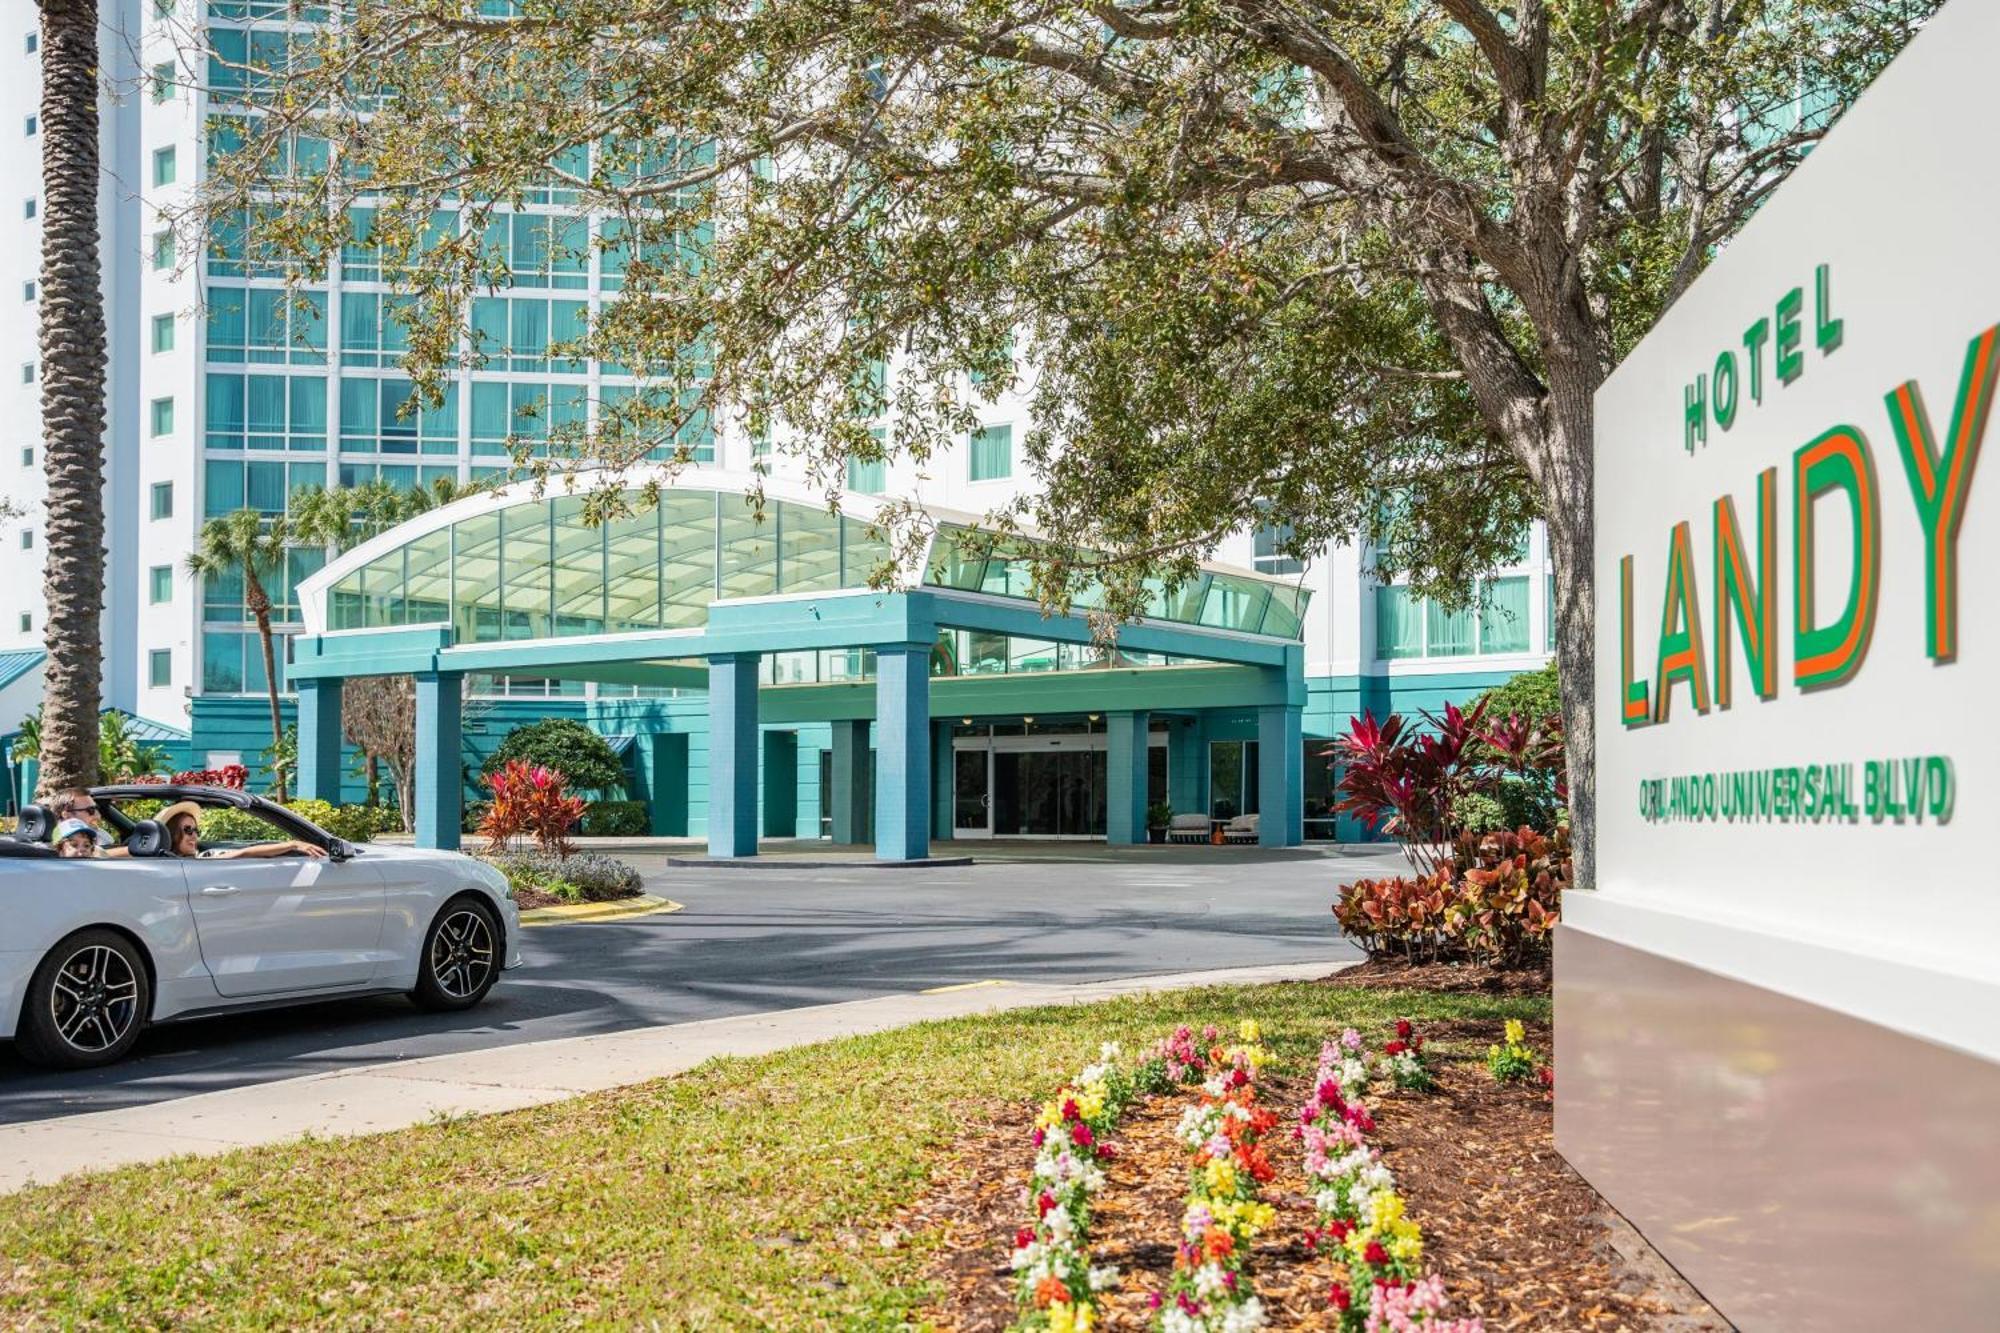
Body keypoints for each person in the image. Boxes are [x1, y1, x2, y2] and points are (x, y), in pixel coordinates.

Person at [155, 801, 328, 861]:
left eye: (195, 830)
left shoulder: (199, 859)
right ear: (172, 833)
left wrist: (293, 844)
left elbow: (245, 852)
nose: (194, 835)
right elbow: (244, 853)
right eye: (187, 830)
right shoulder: (159, 859)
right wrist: (293, 844)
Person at [48, 788, 130, 858]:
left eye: (97, 808)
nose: (98, 815)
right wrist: (134, 850)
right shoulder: (52, 838)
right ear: (67, 814)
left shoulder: (100, 833)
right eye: (90, 810)